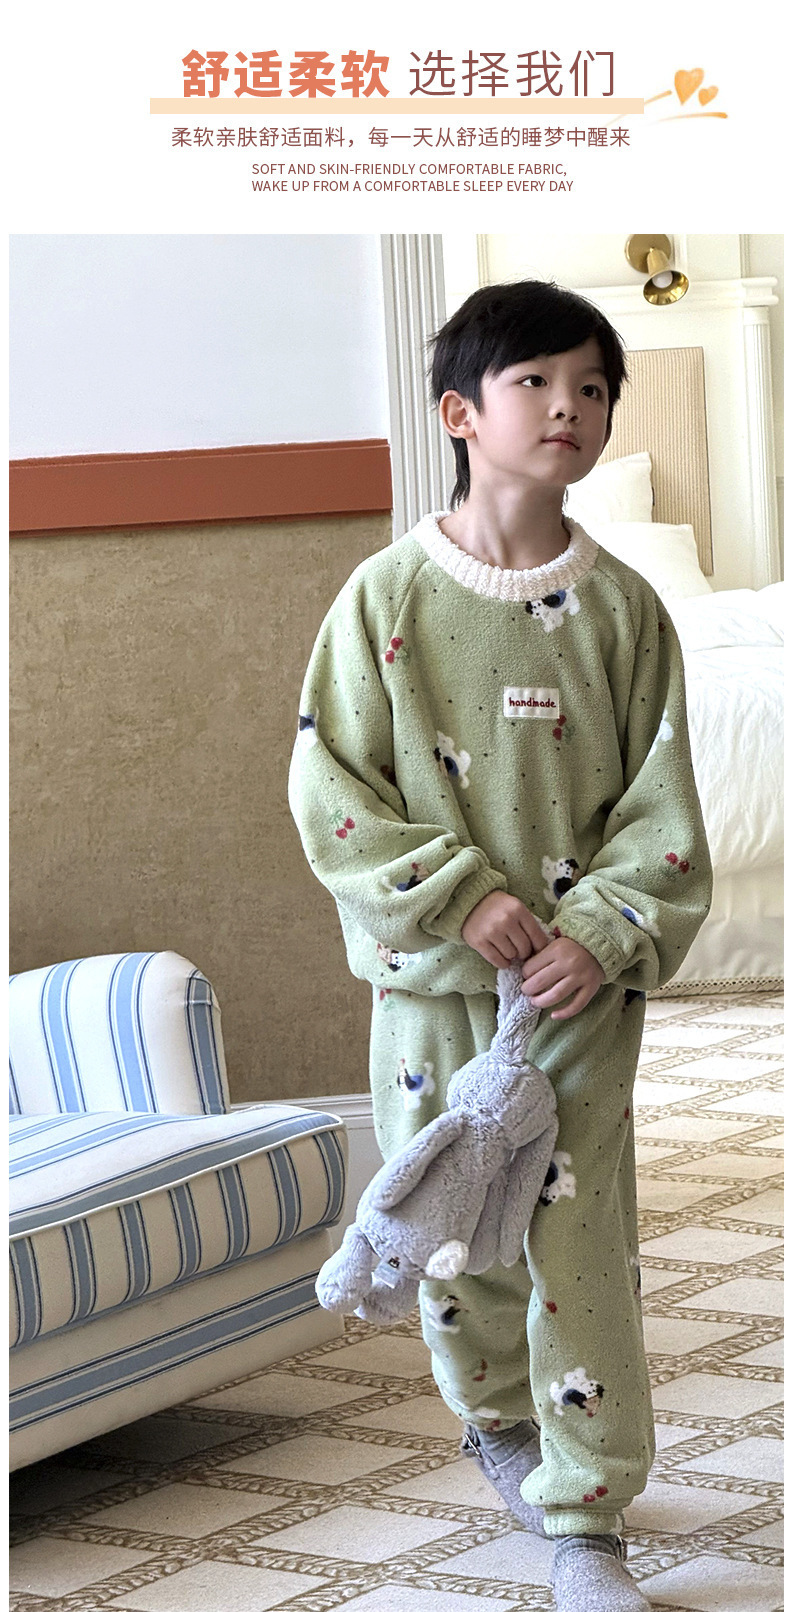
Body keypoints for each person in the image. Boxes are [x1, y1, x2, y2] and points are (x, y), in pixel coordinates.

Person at [289, 279, 712, 1610]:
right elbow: (332, 788)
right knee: (451, 1233)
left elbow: (662, 806)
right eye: (536, 381)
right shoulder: (383, 599)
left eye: (592, 388)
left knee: (579, 1247)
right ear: (460, 414)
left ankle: (587, 1520)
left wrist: (600, 931)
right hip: (433, 988)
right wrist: (459, 896)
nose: (569, 407)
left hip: (575, 993)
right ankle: (496, 1421)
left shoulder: (625, 613)